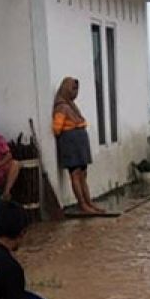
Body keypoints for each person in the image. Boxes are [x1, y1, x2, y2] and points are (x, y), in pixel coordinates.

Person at [52, 76, 106, 215]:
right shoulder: (62, 107)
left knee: (83, 174)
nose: (75, 92)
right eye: (72, 89)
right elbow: (57, 128)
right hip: (71, 143)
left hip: (79, 142)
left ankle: (89, 202)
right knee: (75, 174)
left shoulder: (71, 105)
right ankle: (83, 204)